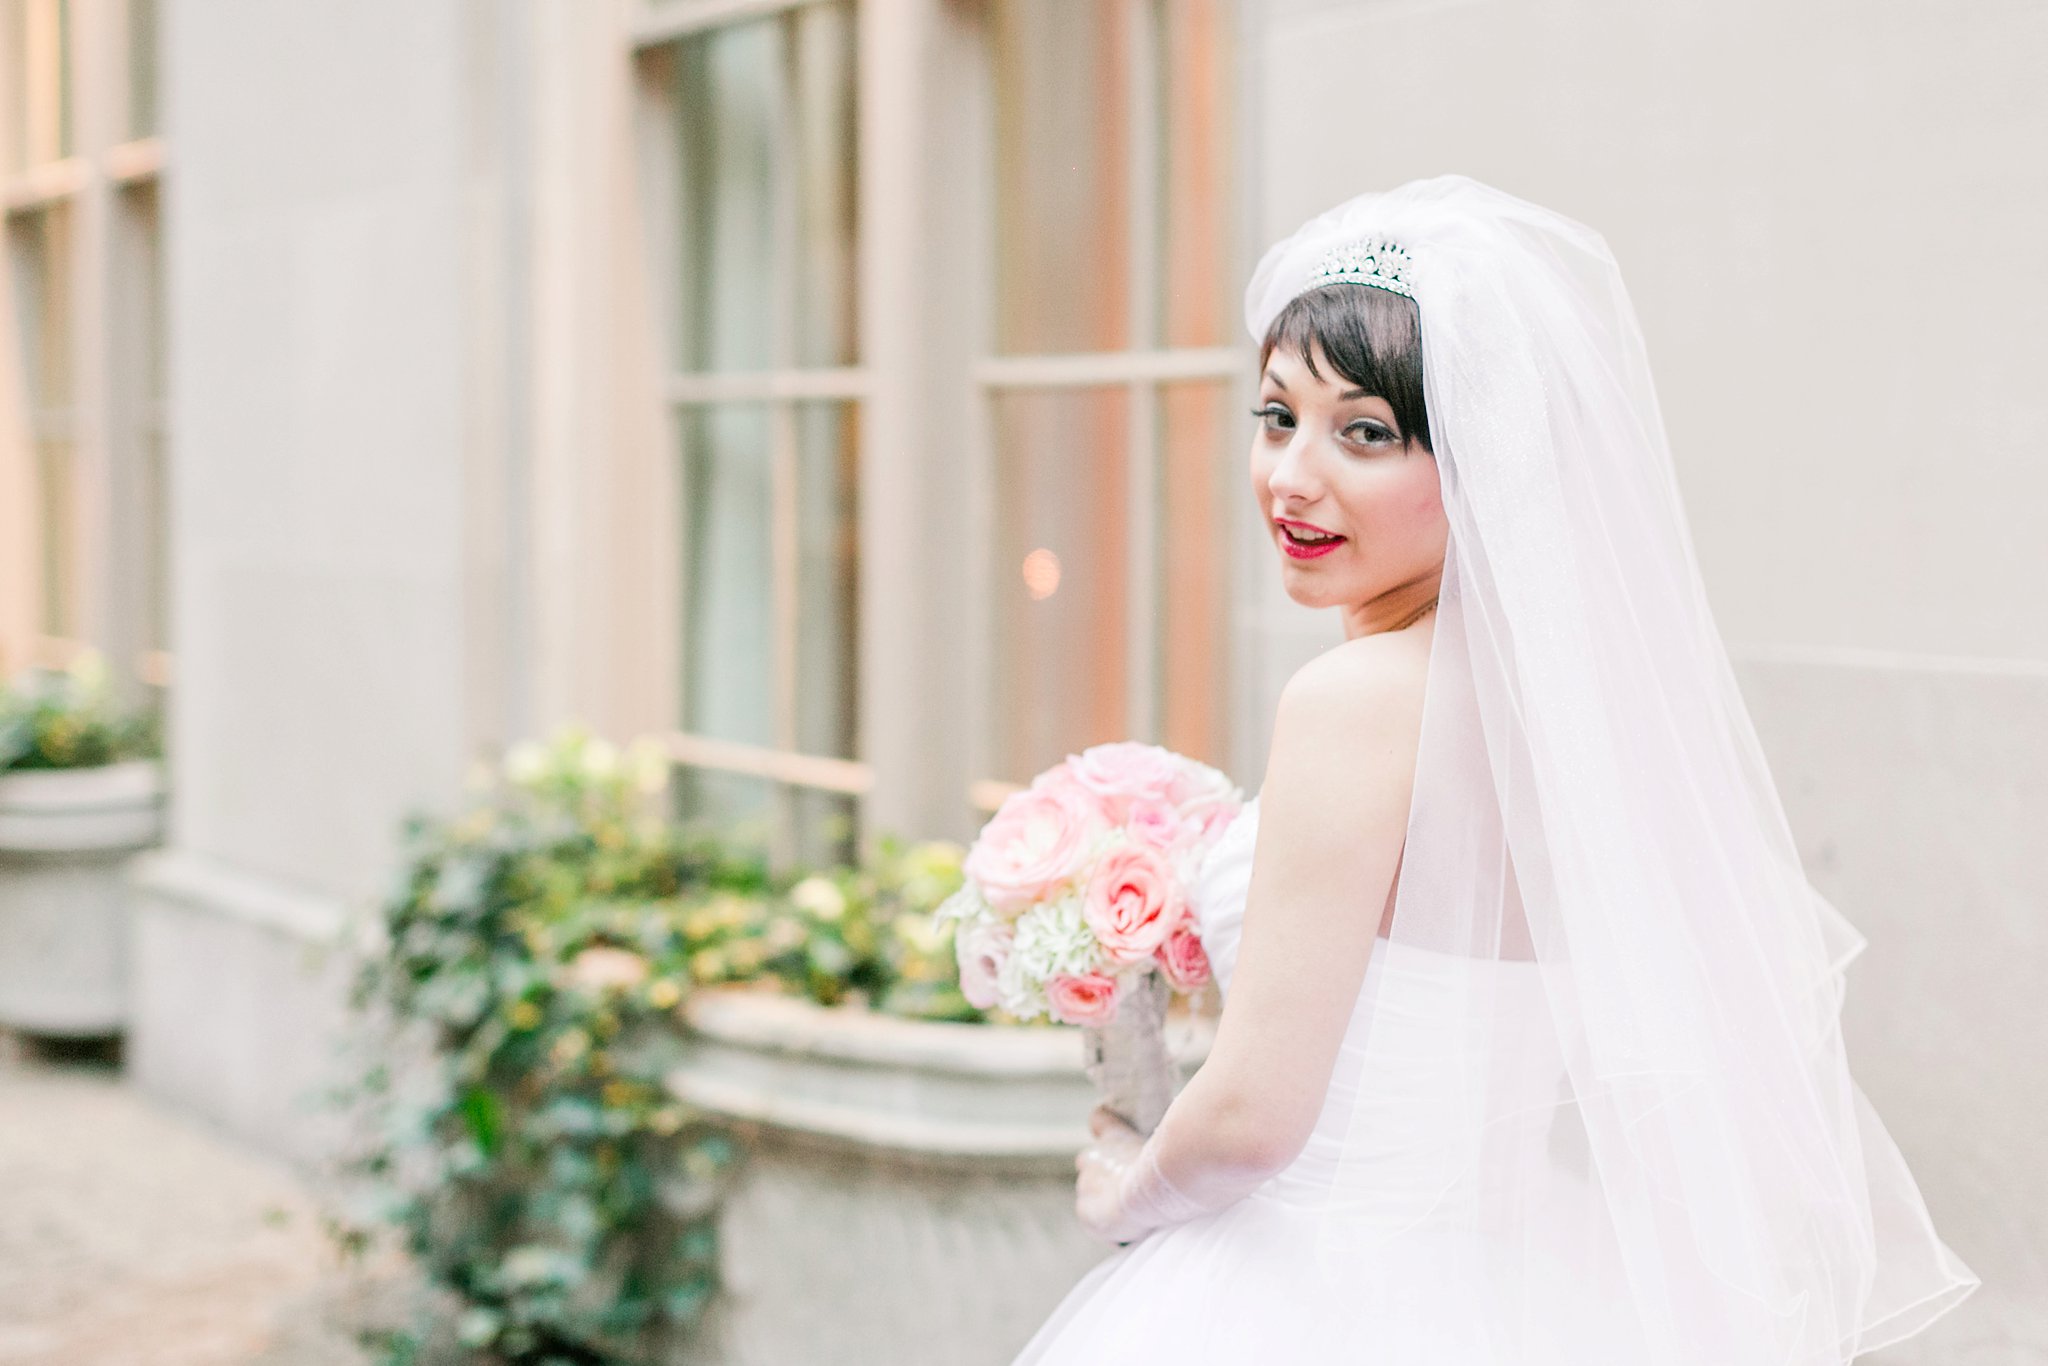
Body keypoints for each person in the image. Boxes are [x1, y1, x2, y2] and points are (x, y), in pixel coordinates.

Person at [1011, 175, 1979, 1364]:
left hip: (1315, 1285)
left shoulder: (1352, 702)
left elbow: (1256, 1115)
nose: (1291, 478)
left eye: (1363, 431)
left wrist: (1127, 1185)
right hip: (1526, 1279)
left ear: (1479, 458)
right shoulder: (1572, 718)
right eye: (1275, 418)